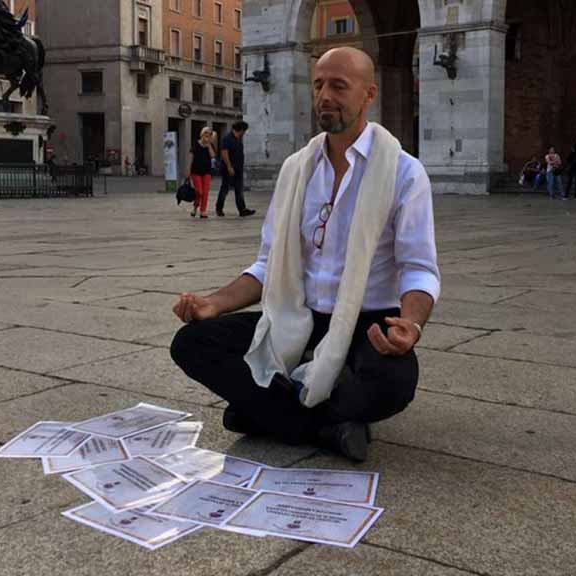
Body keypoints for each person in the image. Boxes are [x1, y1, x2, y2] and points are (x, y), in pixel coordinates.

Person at [170, 46, 440, 462]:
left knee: (396, 380)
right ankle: (327, 425)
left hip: (367, 322)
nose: (324, 96)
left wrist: (411, 324)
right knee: (191, 343)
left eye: (339, 86)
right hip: (295, 316)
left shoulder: (404, 172)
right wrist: (213, 303)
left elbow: (418, 269)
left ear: (369, 94)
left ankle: (269, 413)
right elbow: (267, 264)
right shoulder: (297, 169)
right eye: (318, 85)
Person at [216, 121, 255, 217]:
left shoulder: (239, 139)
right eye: (244, 131)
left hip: (238, 169)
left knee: (239, 189)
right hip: (228, 169)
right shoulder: (227, 139)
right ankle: (219, 209)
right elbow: (224, 153)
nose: (244, 133)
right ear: (240, 130)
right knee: (225, 189)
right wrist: (229, 167)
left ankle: (242, 210)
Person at [187, 126, 216, 219]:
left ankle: (203, 211)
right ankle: (195, 207)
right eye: (205, 133)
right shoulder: (196, 144)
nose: (207, 135)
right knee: (199, 191)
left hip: (206, 171)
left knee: (205, 192)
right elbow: (191, 157)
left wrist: (208, 146)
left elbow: (213, 156)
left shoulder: (210, 145)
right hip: (196, 171)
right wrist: (188, 170)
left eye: (209, 134)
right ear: (202, 134)